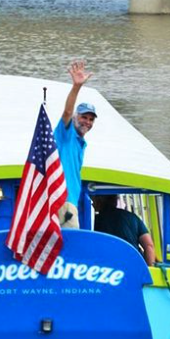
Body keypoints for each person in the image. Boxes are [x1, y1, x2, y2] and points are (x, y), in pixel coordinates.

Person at [54, 60, 96, 228]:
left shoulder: (81, 143)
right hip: (63, 201)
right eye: (83, 117)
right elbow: (67, 111)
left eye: (91, 119)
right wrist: (76, 86)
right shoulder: (65, 136)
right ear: (74, 118)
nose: (87, 122)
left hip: (69, 202)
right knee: (72, 245)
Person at [93, 194, 157, 266]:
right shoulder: (133, 217)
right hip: (133, 264)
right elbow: (149, 245)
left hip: (107, 268)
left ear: (99, 201)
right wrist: (150, 270)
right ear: (115, 201)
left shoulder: (95, 221)